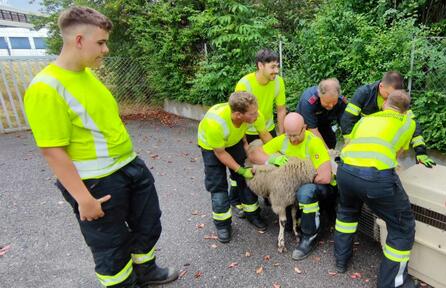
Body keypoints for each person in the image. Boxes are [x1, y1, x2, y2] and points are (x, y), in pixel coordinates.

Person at [23, 6, 178, 287]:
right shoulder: (45, 87)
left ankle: (146, 272)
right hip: (96, 181)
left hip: (128, 166)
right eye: (101, 42)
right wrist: (83, 198)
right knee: (111, 244)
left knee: (148, 223)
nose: (105, 50)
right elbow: (52, 150)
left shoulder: (86, 74)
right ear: (78, 40)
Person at [334, 90, 417, 288]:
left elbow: (352, 143)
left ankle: (341, 261)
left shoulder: (365, 120)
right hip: (375, 178)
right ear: (405, 111)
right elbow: (398, 151)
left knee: (347, 212)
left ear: (384, 104)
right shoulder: (407, 122)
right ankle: (392, 283)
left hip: (345, 171)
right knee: (402, 226)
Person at [251, 112, 336, 260]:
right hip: (293, 187)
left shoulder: (314, 143)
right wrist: (272, 159)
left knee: (305, 192)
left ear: (304, 128)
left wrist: (297, 175)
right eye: (289, 135)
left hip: (319, 186)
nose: (292, 139)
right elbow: (254, 155)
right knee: (288, 225)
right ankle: (301, 218)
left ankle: (309, 237)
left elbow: (325, 177)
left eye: (296, 135)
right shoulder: (283, 140)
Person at [198, 91, 273, 243]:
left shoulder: (253, 113)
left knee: (244, 179)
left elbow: (265, 135)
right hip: (212, 148)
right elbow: (220, 154)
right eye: (252, 114)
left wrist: (276, 156)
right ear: (239, 115)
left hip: (234, 141)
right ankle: (223, 225)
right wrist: (240, 169)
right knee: (218, 185)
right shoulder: (215, 123)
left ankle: (252, 214)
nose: (256, 116)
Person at [340, 71, 435, 168]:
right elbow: (347, 120)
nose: (390, 99)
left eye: (393, 95)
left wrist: (421, 152)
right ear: (381, 86)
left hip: (386, 139)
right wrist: (350, 143)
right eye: (388, 94)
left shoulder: (396, 99)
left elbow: (412, 124)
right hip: (366, 136)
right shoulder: (364, 93)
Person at [232, 48, 286, 215]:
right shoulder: (244, 84)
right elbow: (238, 114)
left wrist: (282, 137)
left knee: (273, 161)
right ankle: (236, 200)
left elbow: (281, 109)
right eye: (272, 67)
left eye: (277, 66)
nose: (276, 71)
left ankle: (268, 196)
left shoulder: (278, 82)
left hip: (266, 128)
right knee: (244, 166)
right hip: (245, 130)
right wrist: (244, 142)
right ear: (260, 65)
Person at [296, 78, 347, 149]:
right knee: (311, 147)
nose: (331, 106)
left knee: (331, 141)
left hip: (324, 122)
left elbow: (345, 124)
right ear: (320, 95)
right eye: (327, 103)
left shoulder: (341, 101)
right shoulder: (308, 102)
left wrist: (348, 142)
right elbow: (312, 130)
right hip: (305, 126)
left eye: (333, 102)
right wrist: (327, 152)